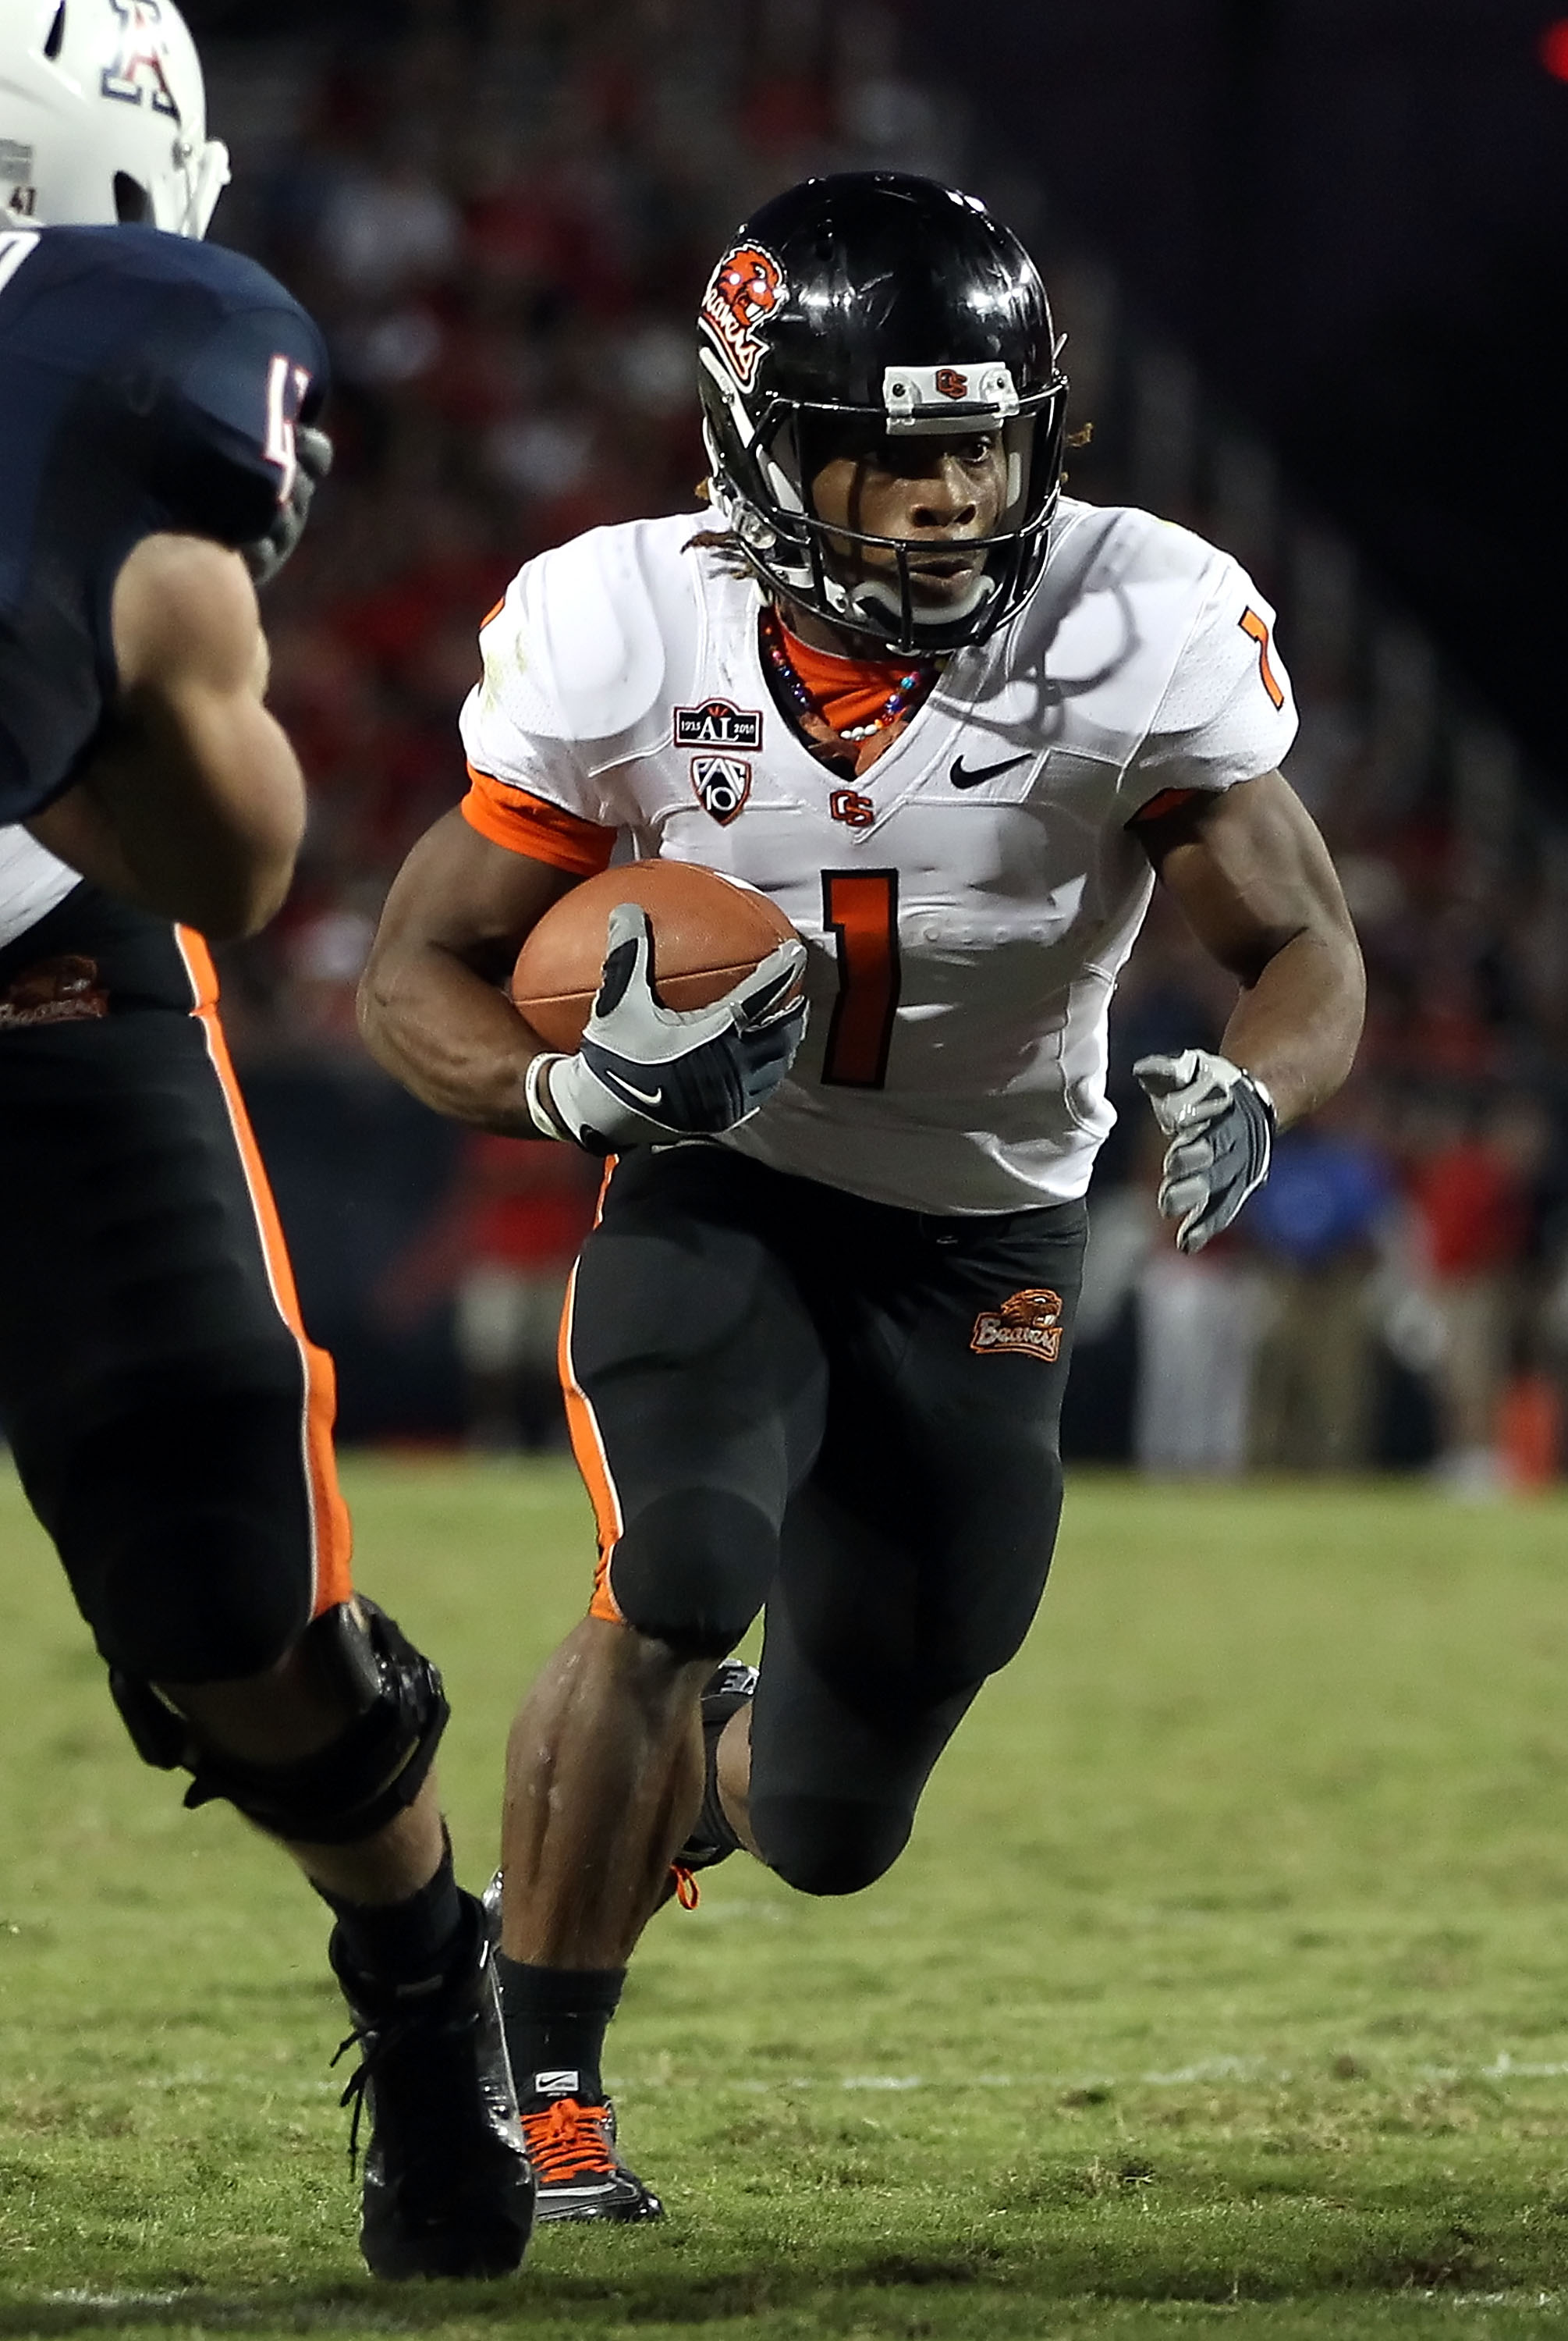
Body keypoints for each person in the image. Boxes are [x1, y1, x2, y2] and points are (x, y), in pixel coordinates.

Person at [359, 171, 1366, 2221]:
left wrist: (1254, 1093)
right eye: (886, 455)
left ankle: (691, 1781)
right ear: (757, 440)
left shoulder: (1137, 611)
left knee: (829, 1815)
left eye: (976, 446)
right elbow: (412, 972)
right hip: (724, 1189)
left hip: (988, 1229)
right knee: (675, 1566)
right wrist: (568, 1087)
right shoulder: (623, 619)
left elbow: (1306, 950)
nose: (939, 500)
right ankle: (533, 2086)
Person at [0, 0, 532, 2279]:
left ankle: (422, 1969)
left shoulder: (96, 366)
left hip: (25, 969)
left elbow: (229, 855)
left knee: (220, 1543)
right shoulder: (120, 334)